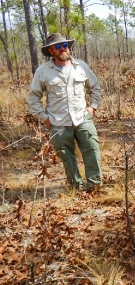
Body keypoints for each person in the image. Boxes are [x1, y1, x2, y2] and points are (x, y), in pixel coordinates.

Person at [27, 33, 103, 191]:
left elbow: (95, 87)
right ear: (51, 50)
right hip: (58, 123)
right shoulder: (43, 71)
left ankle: (95, 186)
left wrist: (93, 107)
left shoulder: (81, 66)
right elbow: (33, 97)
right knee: (67, 158)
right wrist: (45, 118)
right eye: (58, 46)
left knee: (92, 150)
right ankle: (77, 188)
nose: (63, 49)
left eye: (65, 45)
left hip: (83, 119)